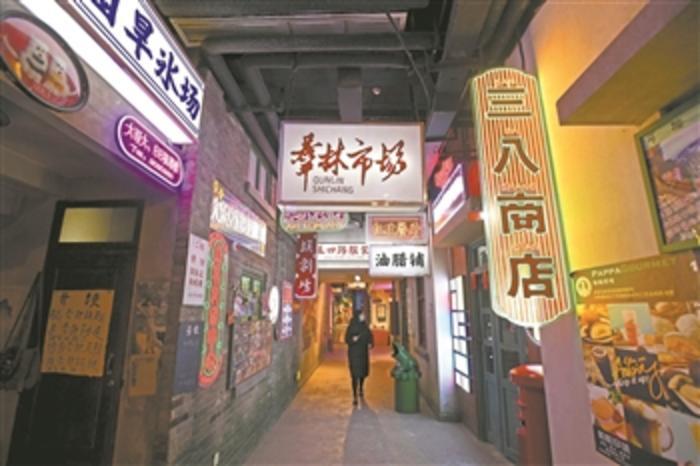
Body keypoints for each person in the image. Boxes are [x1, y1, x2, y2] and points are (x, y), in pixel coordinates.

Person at [344, 311, 373, 405]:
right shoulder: (351, 327)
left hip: (363, 353)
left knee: (362, 373)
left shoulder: (365, 326)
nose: (363, 317)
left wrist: (370, 343)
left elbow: (370, 336)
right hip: (354, 354)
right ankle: (355, 396)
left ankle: (361, 387)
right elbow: (346, 339)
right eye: (361, 315)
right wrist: (353, 340)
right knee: (354, 375)